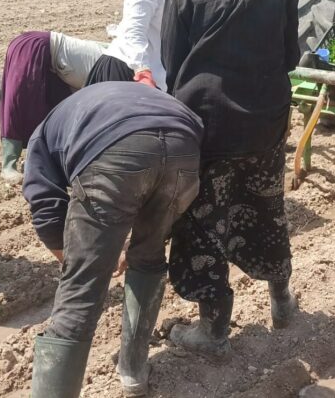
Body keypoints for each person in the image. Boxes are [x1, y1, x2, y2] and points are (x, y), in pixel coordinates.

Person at [162, 0, 301, 360]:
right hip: (264, 124)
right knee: (266, 206)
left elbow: (171, 63)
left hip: (206, 129)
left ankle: (214, 326)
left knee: (201, 222)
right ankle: (281, 301)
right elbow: (290, 58)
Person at [23, 82, 203, 397]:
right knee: (149, 255)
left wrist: (83, 260)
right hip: (184, 146)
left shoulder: (44, 132)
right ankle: (133, 371)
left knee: (81, 289)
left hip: (116, 151)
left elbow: (47, 210)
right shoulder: (106, 100)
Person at [0, 31, 107, 185]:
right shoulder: (119, 68)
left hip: (59, 68)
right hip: (35, 48)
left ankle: (37, 162)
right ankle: (8, 166)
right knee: (22, 103)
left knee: (51, 113)